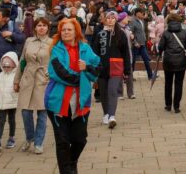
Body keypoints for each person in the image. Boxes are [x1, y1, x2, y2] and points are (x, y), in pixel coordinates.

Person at [45, 18, 100, 174]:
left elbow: (98, 69)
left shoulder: (86, 49)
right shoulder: (56, 49)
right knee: (62, 141)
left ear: (76, 31)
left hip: (81, 102)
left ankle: (71, 162)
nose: (66, 32)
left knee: (80, 139)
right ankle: (67, 171)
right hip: (57, 101)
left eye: (69, 29)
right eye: (63, 30)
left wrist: (87, 67)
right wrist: (83, 77)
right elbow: (59, 72)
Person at [15, 16, 51, 154]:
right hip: (28, 78)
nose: (41, 27)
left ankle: (39, 142)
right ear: (35, 28)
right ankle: (29, 137)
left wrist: (51, 77)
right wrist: (16, 80)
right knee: (25, 112)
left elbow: (55, 62)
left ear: (48, 28)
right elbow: (22, 61)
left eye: (44, 25)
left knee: (42, 113)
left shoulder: (52, 42)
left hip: (44, 80)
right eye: (39, 25)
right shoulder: (28, 41)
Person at [92, 11, 132, 127]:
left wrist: (127, 70)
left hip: (116, 66)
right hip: (102, 67)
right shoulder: (100, 34)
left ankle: (112, 116)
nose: (110, 20)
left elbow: (126, 53)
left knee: (113, 90)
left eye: (112, 18)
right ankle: (105, 114)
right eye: (108, 18)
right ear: (105, 20)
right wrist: (94, 67)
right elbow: (94, 51)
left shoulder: (121, 34)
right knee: (103, 92)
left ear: (116, 20)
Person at [0, 7, 25, 118]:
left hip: (9, 63)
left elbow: (22, 38)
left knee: (10, 85)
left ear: (5, 18)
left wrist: (11, 34)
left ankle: (11, 106)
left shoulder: (12, 26)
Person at [158, 13, 186, 113]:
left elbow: (160, 47)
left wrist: (162, 51)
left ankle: (168, 105)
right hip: (181, 61)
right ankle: (177, 106)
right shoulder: (184, 32)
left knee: (168, 83)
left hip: (168, 61)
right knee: (179, 84)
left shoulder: (166, 33)